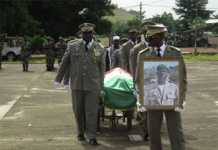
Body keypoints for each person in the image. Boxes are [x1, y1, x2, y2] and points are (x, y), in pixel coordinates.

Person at [135, 23, 187, 150]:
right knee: (153, 134)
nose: (148, 41)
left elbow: (183, 78)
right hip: (152, 99)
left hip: (172, 98)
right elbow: (138, 79)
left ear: (160, 37)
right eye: (148, 38)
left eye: (151, 38)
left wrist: (182, 99)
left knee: (176, 132)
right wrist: (140, 100)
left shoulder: (175, 53)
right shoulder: (143, 54)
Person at [54, 22, 105, 146]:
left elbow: (101, 68)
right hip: (77, 84)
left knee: (91, 111)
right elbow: (64, 63)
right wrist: (58, 79)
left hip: (93, 85)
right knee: (78, 110)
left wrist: (102, 86)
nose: (86, 35)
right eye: (84, 33)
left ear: (93, 34)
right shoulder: (73, 46)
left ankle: (92, 136)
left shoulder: (99, 48)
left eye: (89, 33)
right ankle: (80, 132)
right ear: (81, 34)